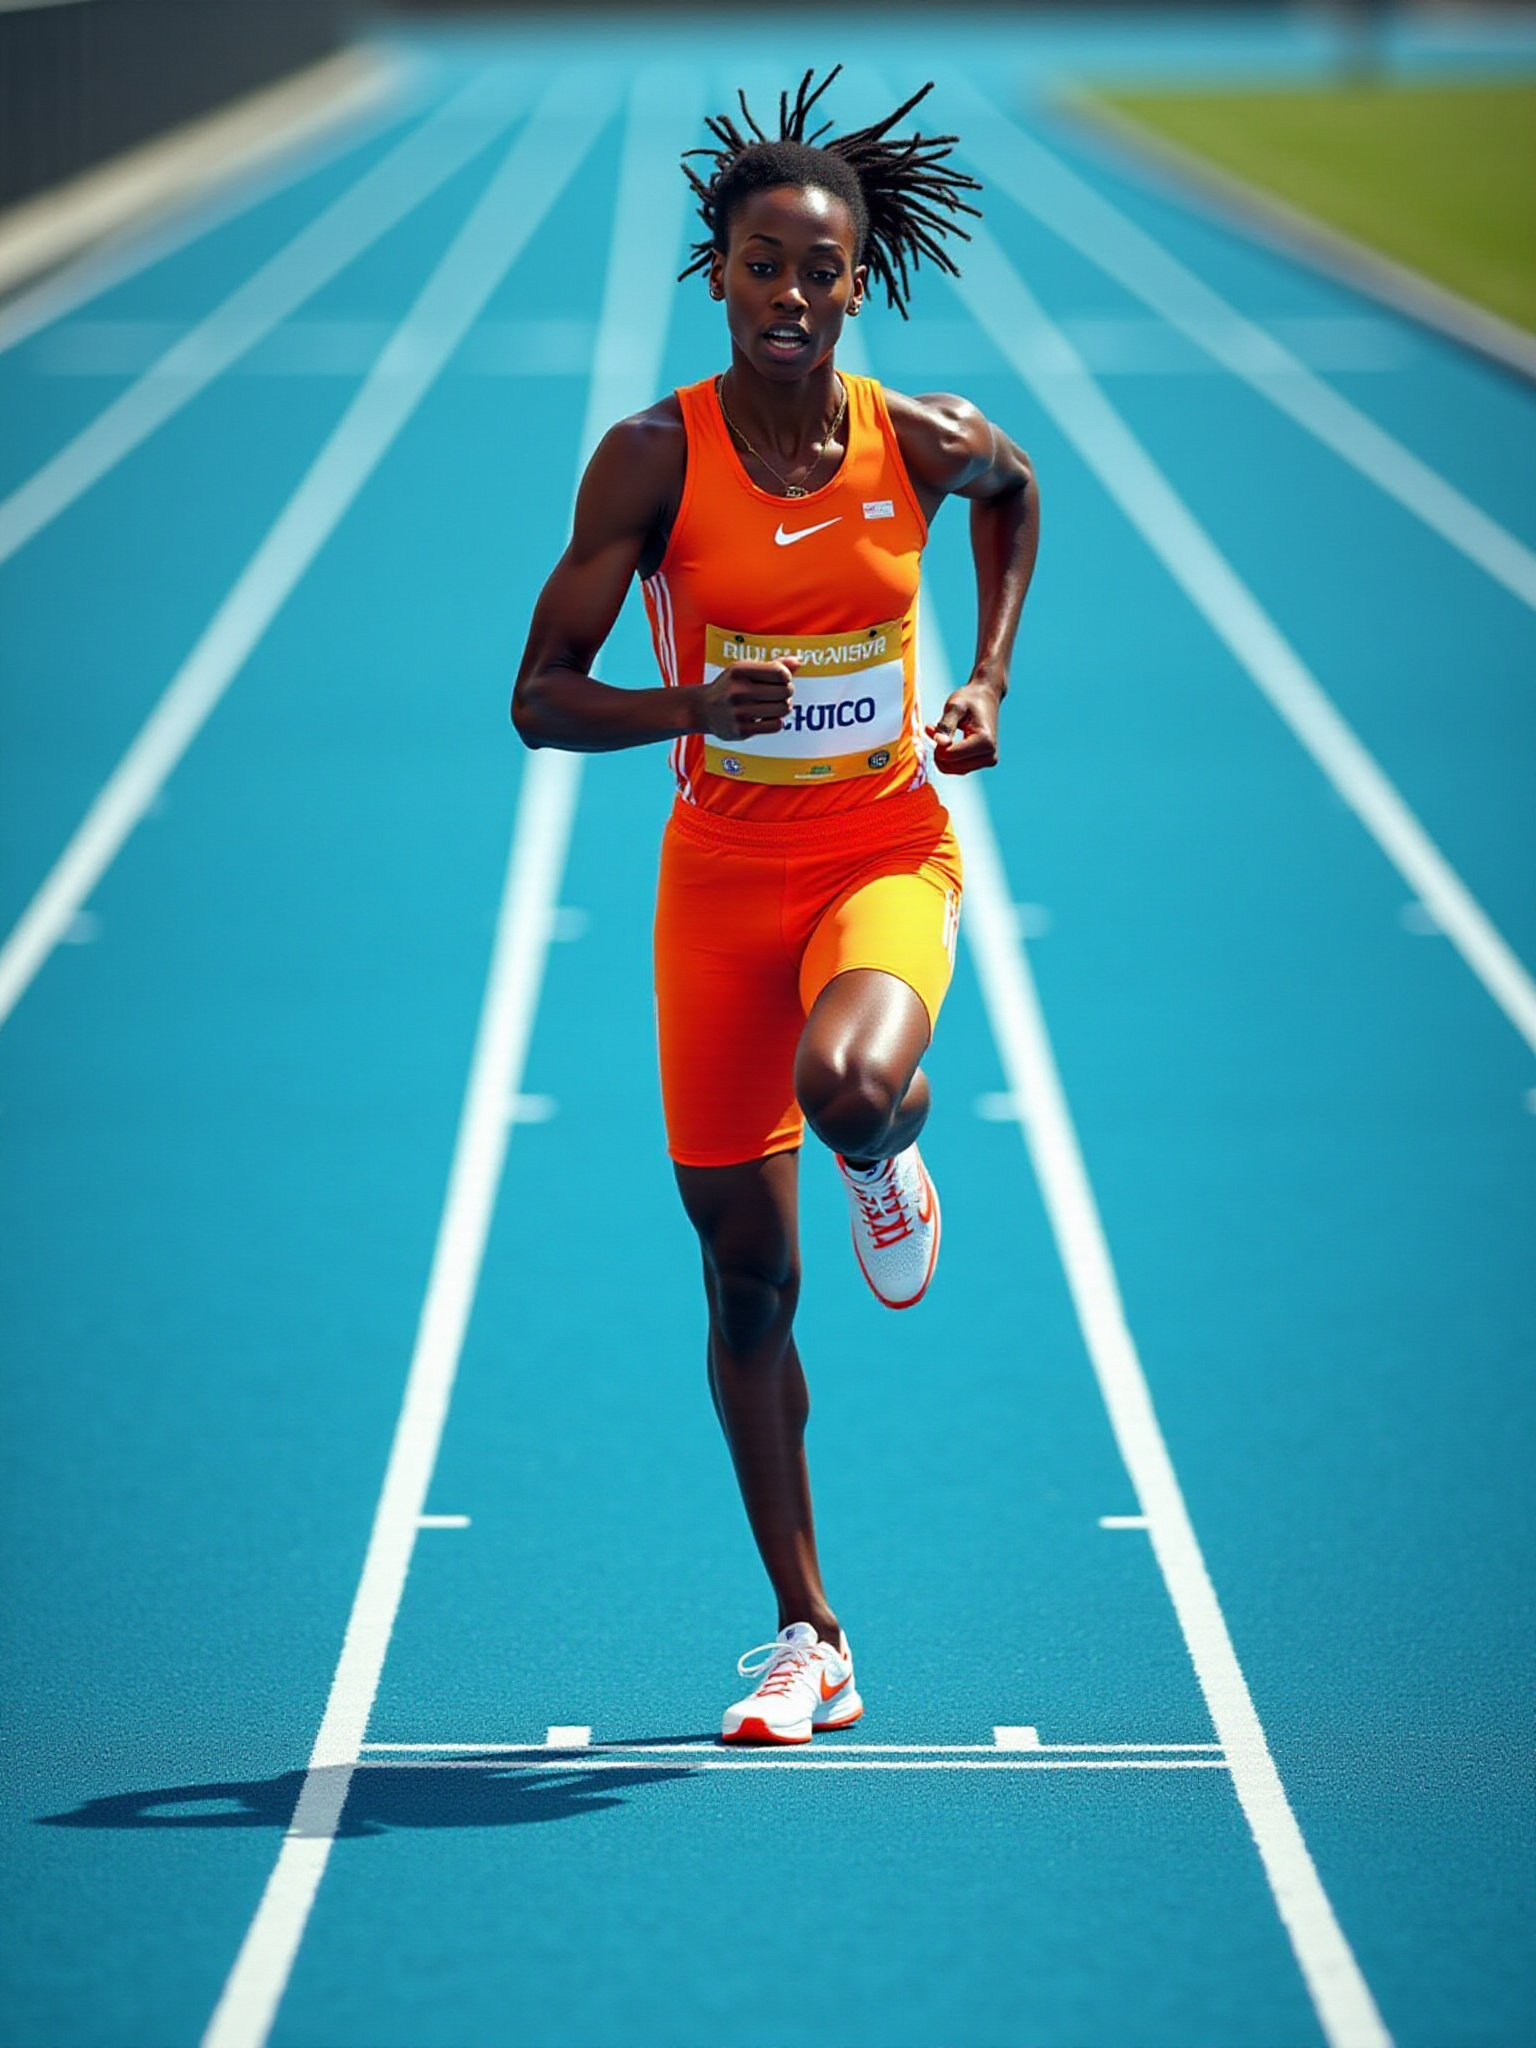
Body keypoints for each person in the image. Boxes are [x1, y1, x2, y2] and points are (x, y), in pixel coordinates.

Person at [512, 70, 1038, 1744]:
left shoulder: (921, 440)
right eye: (764, 265)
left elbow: (1016, 492)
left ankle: (884, 1152)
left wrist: (987, 678)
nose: (793, 295)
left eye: (823, 269)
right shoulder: (651, 459)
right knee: (746, 1280)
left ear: (859, 282)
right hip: (721, 884)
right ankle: (810, 1634)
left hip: (882, 848)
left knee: (852, 1083)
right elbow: (539, 696)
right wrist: (690, 708)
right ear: (718, 273)